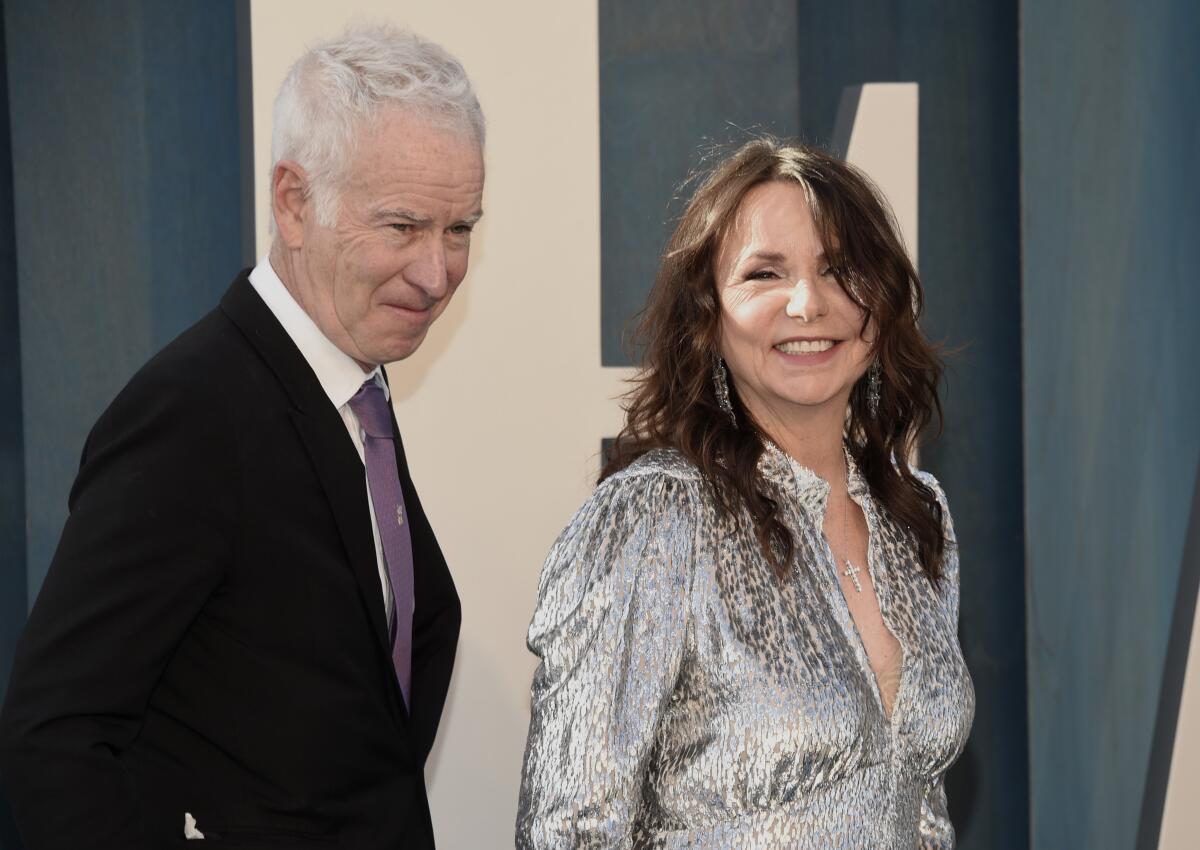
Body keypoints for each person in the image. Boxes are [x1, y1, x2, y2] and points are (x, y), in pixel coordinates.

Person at [0, 24, 483, 850]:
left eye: (460, 229)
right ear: (294, 203)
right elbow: (55, 735)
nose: (437, 273)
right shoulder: (191, 412)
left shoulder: (354, 381)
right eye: (403, 227)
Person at [516, 139, 974, 849]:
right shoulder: (655, 518)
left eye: (838, 269)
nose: (807, 303)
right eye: (765, 273)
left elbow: (926, 814)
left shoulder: (917, 516)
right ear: (711, 319)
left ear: (879, 306)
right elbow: (571, 831)